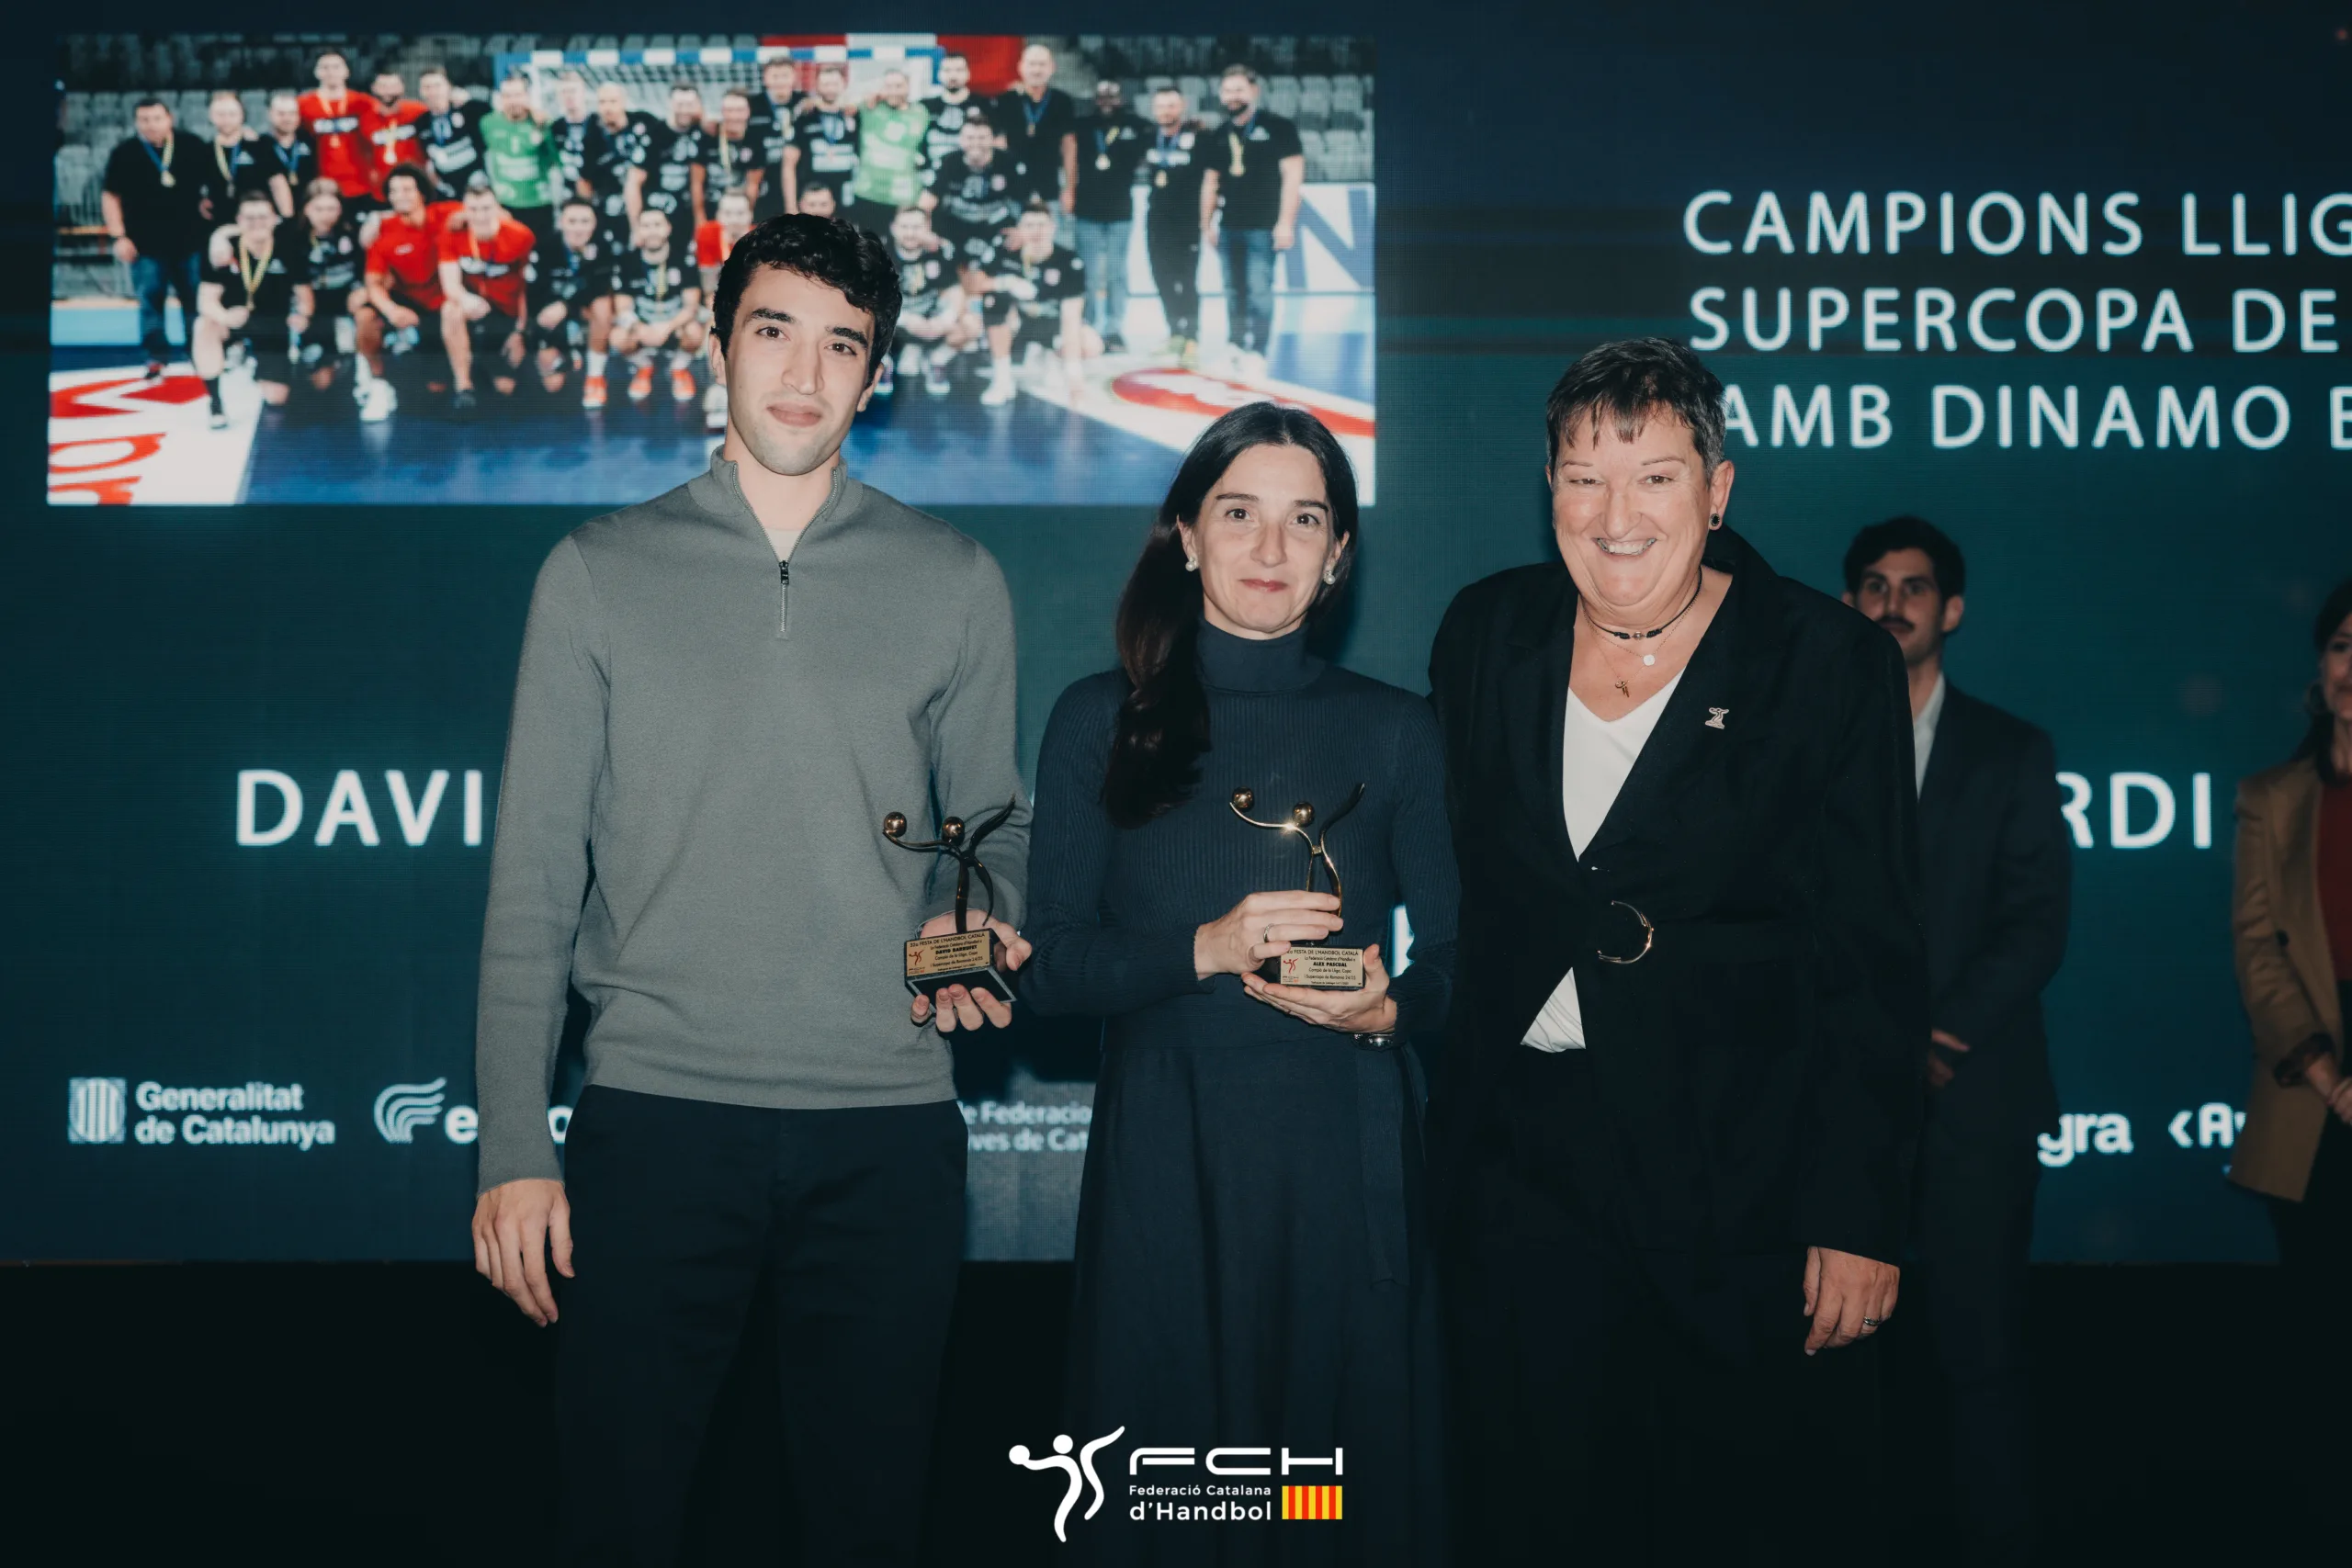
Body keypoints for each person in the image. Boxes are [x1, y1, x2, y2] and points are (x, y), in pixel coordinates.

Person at [471, 212, 1030, 1568]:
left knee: (869, 1525)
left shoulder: (956, 579)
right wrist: (513, 1148)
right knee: (618, 1522)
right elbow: (533, 880)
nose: (803, 370)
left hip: (887, 1126)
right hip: (655, 1116)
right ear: (717, 343)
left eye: (843, 343)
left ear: (874, 372)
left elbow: (993, 834)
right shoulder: (596, 571)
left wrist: (976, 914)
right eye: (774, 330)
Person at [1428, 337, 1925, 1564]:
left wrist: (1858, 1214)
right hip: (1524, 1165)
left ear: (1718, 489)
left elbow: (1870, 955)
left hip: (1739, 1172)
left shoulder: (1824, 660)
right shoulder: (1486, 632)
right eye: (1583, 477)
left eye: (1654, 476)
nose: (1616, 515)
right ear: (1548, 486)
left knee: (1733, 1512)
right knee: (1535, 1510)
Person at [1023, 400, 1456, 1565]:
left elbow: (1465, 968)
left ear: (1339, 552)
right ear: (1185, 534)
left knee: (1324, 1509)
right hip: (1169, 1161)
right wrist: (1202, 950)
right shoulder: (1100, 718)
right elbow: (1048, 965)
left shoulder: (1398, 732)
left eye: (1304, 519)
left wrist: (1391, 1011)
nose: (1271, 547)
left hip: (1343, 1162)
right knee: (1180, 1504)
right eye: (1238, 514)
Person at [1842, 516, 2068, 1567]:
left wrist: (1935, 1039)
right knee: (1839, 1360)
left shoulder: (2011, 751)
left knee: (1981, 1357)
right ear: (1850, 606)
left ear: (1952, 610)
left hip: (1975, 1100)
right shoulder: (1811, 748)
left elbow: (2036, 923)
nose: (1892, 604)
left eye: (1915, 587)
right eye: (1873, 586)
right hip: (1844, 1110)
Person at [2228, 577, 2352, 1441]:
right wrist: (2328, 1075)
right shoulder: (2270, 796)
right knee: (2320, 1337)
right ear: (2321, 664)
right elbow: (2256, 947)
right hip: (2310, 1089)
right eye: (2343, 646)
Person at [1197, 66, 1303, 382]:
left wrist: (1286, 222)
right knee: (1233, 291)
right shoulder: (1219, 133)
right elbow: (1211, 181)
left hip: (1264, 226)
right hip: (1230, 225)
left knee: (1259, 290)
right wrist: (1206, 223)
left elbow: (1293, 178)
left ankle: (1257, 351)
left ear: (1254, 91)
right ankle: (1234, 346)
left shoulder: (1279, 127)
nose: (1233, 96)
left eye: (1239, 89)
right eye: (1227, 90)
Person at [102, 96, 208, 379]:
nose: (151, 125)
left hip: (190, 241)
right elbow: (111, 196)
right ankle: (156, 356)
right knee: (150, 301)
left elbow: (213, 181)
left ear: (169, 118)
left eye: (157, 118)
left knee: (195, 301)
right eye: (144, 120)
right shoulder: (124, 153)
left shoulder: (192, 145)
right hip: (144, 245)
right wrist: (119, 236)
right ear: (136, 122)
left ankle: (200, 352)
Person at [190, 191, 312, 428]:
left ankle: (253, 360)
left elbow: (305, 296)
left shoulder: (288, 250)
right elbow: (205, 301)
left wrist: (303, 315)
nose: (257, 223)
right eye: (250, 218)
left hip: (272, 325)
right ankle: (215, 403)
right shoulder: (222, 251)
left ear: (274, 219)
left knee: (277, 398)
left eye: (263, 217)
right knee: (203, 326)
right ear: (238, 221)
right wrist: (225, 316)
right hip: (234, 320)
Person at [356, 165, 459, 423]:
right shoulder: (384, 230)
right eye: (394, 191)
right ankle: (378, 383)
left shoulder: (446, 213)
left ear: (421, 193)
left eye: (406, 189)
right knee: (365, 316)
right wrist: (391, 310)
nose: (400, 195)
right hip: (407, 302)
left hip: (443, 305)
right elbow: (373, 283)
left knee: (436, 389)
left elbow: (488, 212)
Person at [975, 201, 1093, 407]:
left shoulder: (1069, 261)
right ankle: (1002, 380)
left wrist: (1074, 379)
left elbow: (1071, 318)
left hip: (1051, 324)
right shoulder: (1005, 252)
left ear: (1053, 227)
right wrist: (1006, 282)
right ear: (1019, 228)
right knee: (993, 299)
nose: (1036, 231)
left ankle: (1051, 357)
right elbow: (975, 284)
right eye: (1029, 225)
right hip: (1016, 325)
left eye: (1042, 225)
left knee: (1091, 344)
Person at [437, 178, 536, 413]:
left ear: (497, 208)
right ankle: (464, 387)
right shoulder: (452, 234)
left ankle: (489, 365)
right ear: (464, 209)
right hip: (476, 310)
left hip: (508, 316)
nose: (480, 216)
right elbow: (450, 285)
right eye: (473, 209)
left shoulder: (521, 236)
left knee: (505, 388)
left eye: (486, 208)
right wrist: (465, 298)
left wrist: (520, 331)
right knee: (450, 309)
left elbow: (528, 289)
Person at [1069, 80, 1148, 353]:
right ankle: (1088, 326)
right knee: (1088, 274)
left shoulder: (1135, 126)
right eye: (1101, 96)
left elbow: (1161, 133)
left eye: (1112, 96)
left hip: (1120, 212)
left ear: (1121, 99)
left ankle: (1115, 329)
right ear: (1095, 99)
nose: (1106, 101)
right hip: (1087, 210)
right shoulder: (1082, 126)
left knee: (1117, 273)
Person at [529, 197, 617, 406]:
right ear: (561, 223)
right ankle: (569, 355)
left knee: (603, 306)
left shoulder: (603, 247)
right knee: (553, 384)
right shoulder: (544, 247)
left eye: (585, 222)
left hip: (582, 310)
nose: (578, 229)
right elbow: (534, 295)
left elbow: (599, 287)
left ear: (594, 224)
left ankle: (595, 377)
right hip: (552, 316)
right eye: (572, 221)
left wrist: (566, 305)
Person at [609, 206, 701, 404]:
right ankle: (644, 366)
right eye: (646, 226)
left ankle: (678, 368)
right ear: (638, 230)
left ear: (668, 228)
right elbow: (622, 307)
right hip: (642, 326)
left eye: (657, 225)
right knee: (617, 337)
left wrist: (667, 328)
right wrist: (640, 328)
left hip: (674, 326)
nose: (652, 231)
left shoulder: (684, 258)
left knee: (695, 332)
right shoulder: (627, 260)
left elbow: (691, 307)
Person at [1140, 86, 1205, 365]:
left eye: (1171, 105)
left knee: (1186, 280)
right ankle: (1174, 333)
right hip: (1156, 220)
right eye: (1161, 106)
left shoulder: (1199, 138)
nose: (1166, 111)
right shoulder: (1147, 137)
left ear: (1182, 107)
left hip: (1187, 221)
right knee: (1162, 278)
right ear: (1153, 109)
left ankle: (1192, 338)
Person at [882, 205, 975, 399]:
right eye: (904, 227)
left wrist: (944, 320)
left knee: (972, 324)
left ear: (928, 228)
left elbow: (955, 290)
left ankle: (936, 360)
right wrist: (906, 319)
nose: (910, 233)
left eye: (916, 227)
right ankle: (883, 363)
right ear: (893, 228)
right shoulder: (880, 253)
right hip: (895, 323)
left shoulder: (941, 252)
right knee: (863, 321)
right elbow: (871, 300)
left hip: (930, 321)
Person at [922, 113, 1018, 271]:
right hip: (954, 227)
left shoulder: (1008, 162)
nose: (976, 143)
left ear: (992, 139)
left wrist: (1021, 230)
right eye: (970, 138)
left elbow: (1027, 202)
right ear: (960, 139)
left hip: (993, 228)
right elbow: (925, 204)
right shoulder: (948, 162)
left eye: (982, 138)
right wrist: (925, 232)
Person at [695, 190, 758, 426]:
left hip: (754, 304)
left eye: (740, 213)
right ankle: (719, 391)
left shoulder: (762, 240)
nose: (734, 219)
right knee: (714, 327)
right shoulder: (707, 234)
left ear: (749, 215)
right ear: (720, 215)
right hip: (721, 302)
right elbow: (708, 288)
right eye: (728, 213)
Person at [482, 73, 563, 254]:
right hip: (506, 205)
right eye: (507, 96)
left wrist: (543, 128)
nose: (513, 101)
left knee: (542, 256)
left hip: (539, 204)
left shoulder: (543, 122)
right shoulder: (488, 123)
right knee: (511, 257)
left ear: (527, 97)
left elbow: (556, 161)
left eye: (518, 95)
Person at [990, 42, 1076, 209]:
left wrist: (1069, 189)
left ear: (1052, 68)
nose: (1036, 70)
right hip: (1012, 187)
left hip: (1049, 186)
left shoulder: (1062, 101)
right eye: (1031, 64)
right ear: (1020, 67)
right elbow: (997, 145)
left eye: (1042, 64)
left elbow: (1069, 146)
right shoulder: (1005, 100)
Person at [846, 68, 929, 235]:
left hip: (903, 197)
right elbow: (839, 102)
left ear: (908, 87)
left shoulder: (921, 113)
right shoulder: (869, 107)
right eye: (889, 86)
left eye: (899, 86)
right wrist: (868, 95)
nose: (894, 91)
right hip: (868, 193)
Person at [194, 91, 288, 229]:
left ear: (242, 115)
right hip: (220, 222)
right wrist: (201, 200)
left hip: (257, 221)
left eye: (232, 114)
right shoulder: (204, 150)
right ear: (211, 116)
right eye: (220, 114)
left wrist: (287, 218)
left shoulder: (260, 145)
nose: (226, 119)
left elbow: (278, 183)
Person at [582, 83, 657, 256]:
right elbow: (585, 180)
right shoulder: (592, 134)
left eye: (613, 101)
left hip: (645, 208)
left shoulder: (644, 122)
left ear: (623, 102)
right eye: (602, 102)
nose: (608, 108)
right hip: (609, 211)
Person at [299, 51, 376, 209]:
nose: (331, 72)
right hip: (322, 186)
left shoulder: (365, 102)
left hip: (362, 184)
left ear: (346, 71)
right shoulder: (303, 104)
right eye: (325, 67)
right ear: (316, 72)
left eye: (336, 67)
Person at [634, 83, 712, 230]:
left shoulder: (701, 135)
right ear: (669, 103)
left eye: (689, 105)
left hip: (687, 214)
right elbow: (634, 182)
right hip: (657, 215)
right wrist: (636, 226)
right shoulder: (654, 134)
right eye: (679, 104)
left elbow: (697, 182)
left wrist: (699, 220)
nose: (684, 110)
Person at [785, 63, 859, 215]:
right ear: (817, 86)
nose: (830, 89)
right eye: (826, 84)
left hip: (846, 198)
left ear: (843, 85)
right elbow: (788, 164)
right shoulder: (805, 115)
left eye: (835, 84)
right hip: (812, 198)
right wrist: (791, 207)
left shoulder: (854, 114)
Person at [415, 67, 488, 202]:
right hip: (448, 194)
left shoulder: (469, 110)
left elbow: (494, 109)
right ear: (421, 91)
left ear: (449, 87)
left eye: (437, 86)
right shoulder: (421, 123)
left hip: (479, 189)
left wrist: (468, 98)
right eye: (427, 87)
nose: (433, 92)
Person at [746, 55, 801, 220]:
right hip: (762, 183)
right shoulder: (752, 105)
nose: (780, 81)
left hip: (798, 184)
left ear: (794, 77)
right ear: (765, 78)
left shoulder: (805, 102)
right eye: (775, 76)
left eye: (785, 76)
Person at [703, 88, 767, 222]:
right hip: (713, 207)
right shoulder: (708, 137)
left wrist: (743, 218)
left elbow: (753, 185)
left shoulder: (756, 139)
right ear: (722, 112)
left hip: (742, 208)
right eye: (729, 110)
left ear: (748, 111)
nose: (734, 116)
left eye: (739, 110)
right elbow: (697, 183)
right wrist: (700, 219)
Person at [362, 69, 429, 193]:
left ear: (402, 87)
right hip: (382, 186)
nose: (388, 91)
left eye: (393, 86)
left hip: (416, 183)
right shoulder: (366, 118)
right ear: (373, 88)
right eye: (383, 86)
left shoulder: (418, 111)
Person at [917, 51, 978, 173]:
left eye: (959, 70)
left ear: (968, 73)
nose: (953, 76)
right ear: (939, 74)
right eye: (947, 70)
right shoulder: (924, 106)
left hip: (970, 174)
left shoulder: (983, 105)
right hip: (929, 174)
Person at [261, 92, 316, 203]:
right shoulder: (260, 144)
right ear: (270, 114)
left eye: (292, 113)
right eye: (281, 114)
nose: (287, 118)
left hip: (308, 205)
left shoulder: (309, 140)